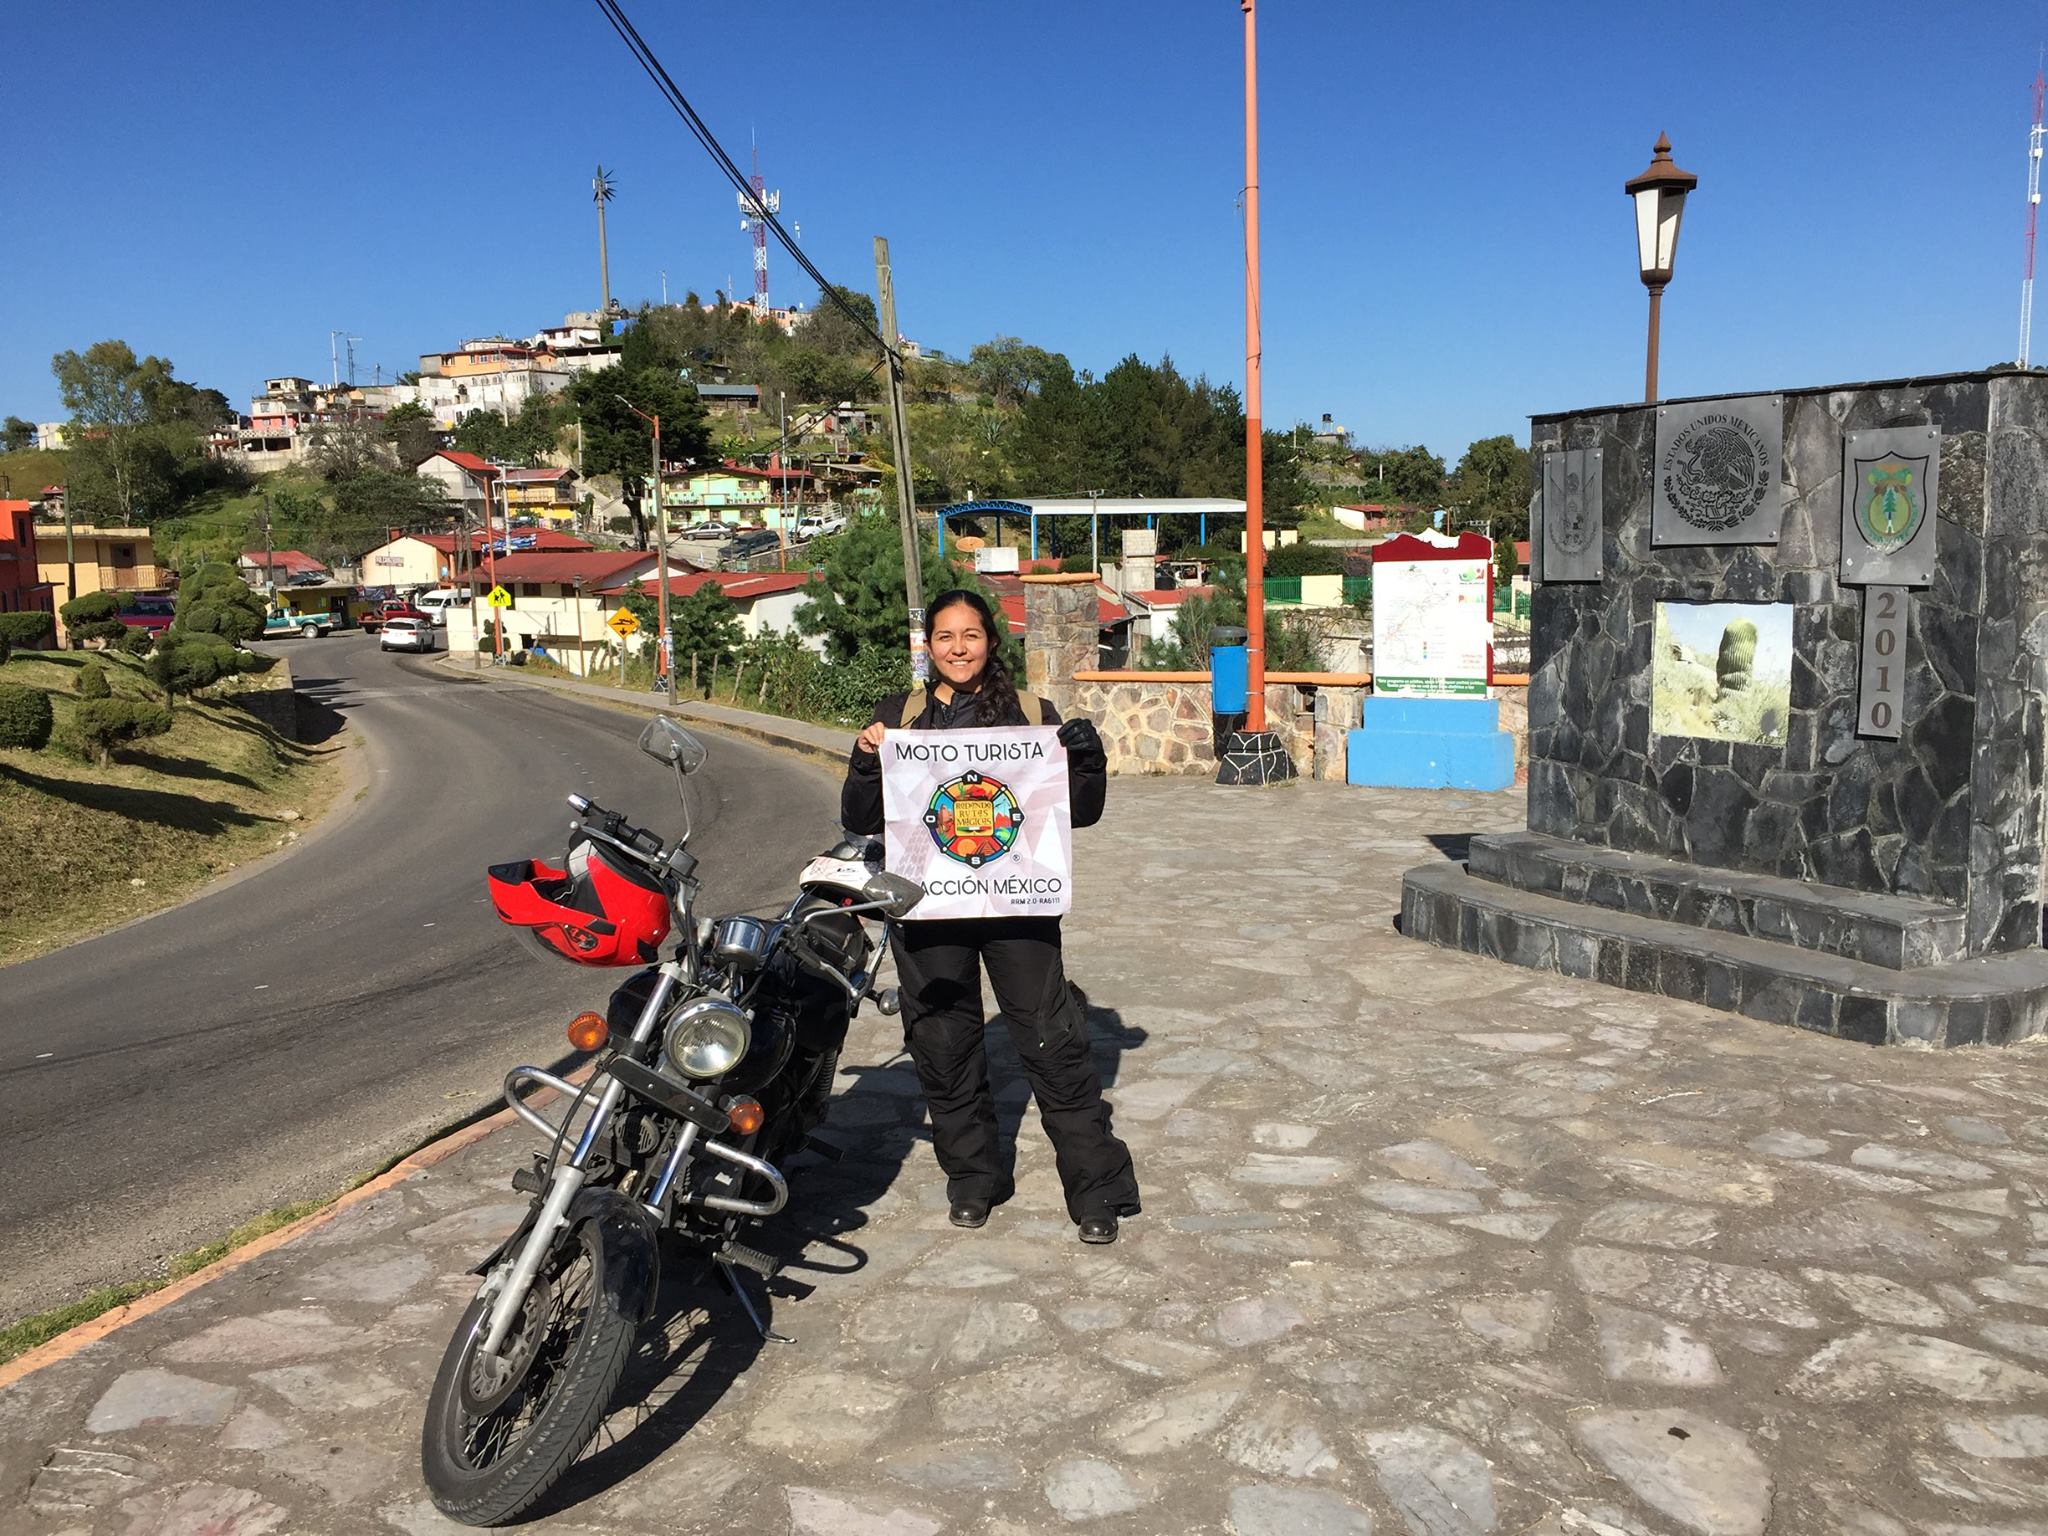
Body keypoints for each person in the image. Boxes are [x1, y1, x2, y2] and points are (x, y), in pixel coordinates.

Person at [840, 589, 1140, 1244]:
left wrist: (1086, 758)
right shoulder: (899, 718)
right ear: (929, 647)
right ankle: (973, 1177)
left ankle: (1095, 1186)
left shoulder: (1035, 715)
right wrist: (866, 762)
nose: (957, 648)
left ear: (990, 641)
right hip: (927, 910)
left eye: (970, 635)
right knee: (943, 1043)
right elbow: (860, 819)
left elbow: (1078, 811)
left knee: (1050, 1041)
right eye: (944, 636)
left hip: (1018, 908)